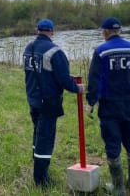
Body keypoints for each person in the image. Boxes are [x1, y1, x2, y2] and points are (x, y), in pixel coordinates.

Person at [86, 17, 130, 195]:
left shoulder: (100, 51)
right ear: (120, 31)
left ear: (105, 33)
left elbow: (94, 80)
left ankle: (118, 188)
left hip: (109, 106)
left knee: (112, 144)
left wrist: (91, 102)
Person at [23, 19, 86, 187]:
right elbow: (64, 80)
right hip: (48, 102)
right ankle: (41, 180)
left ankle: (38, 168)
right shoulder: (54, 51)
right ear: (51, 32)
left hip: (33, 98)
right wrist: (77, 88)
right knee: (46, 138)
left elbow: (40, 74)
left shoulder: (28, 48)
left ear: (37, 31)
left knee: (37, 134)